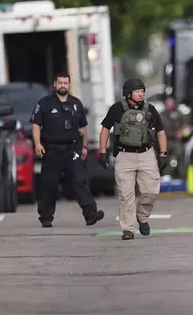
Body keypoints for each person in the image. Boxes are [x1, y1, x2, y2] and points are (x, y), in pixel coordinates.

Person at [29, 71, 105, 228]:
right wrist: (37, 144)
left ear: (69, 85)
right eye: (60, 83)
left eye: (66, 83)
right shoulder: (45, 103)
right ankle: (46, 216)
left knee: (80, 181)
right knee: (49, 184)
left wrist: (84, 146)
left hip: (72, 149)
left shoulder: (76, 103)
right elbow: (36, 124)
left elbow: (82, 126)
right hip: (52, 150)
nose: (63, 86)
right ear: (55, 84)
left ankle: (90, 214)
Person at [98, 79, 168, 240]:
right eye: (138, 91)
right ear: (128, 93)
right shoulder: (117, 109)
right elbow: (105, 129)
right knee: (126, 194)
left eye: (143, 90)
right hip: (124, 155)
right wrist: (102, 152)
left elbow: (160, 131)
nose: (141, 93)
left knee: (151, 191)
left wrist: (163, 153)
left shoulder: (150, 109)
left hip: (146, 154)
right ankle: (128, 229)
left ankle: (142, 216)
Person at [160, 96, 191, 179]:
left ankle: (182, 176)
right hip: (165, 140)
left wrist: (181, 132)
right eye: (168, 102)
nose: (170, 104)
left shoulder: (178, 113)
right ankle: (165, 175)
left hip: (176, 140)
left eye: (171, 102)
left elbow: (186, 124)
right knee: (164, 158)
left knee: (180, 154)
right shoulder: (162, 115)